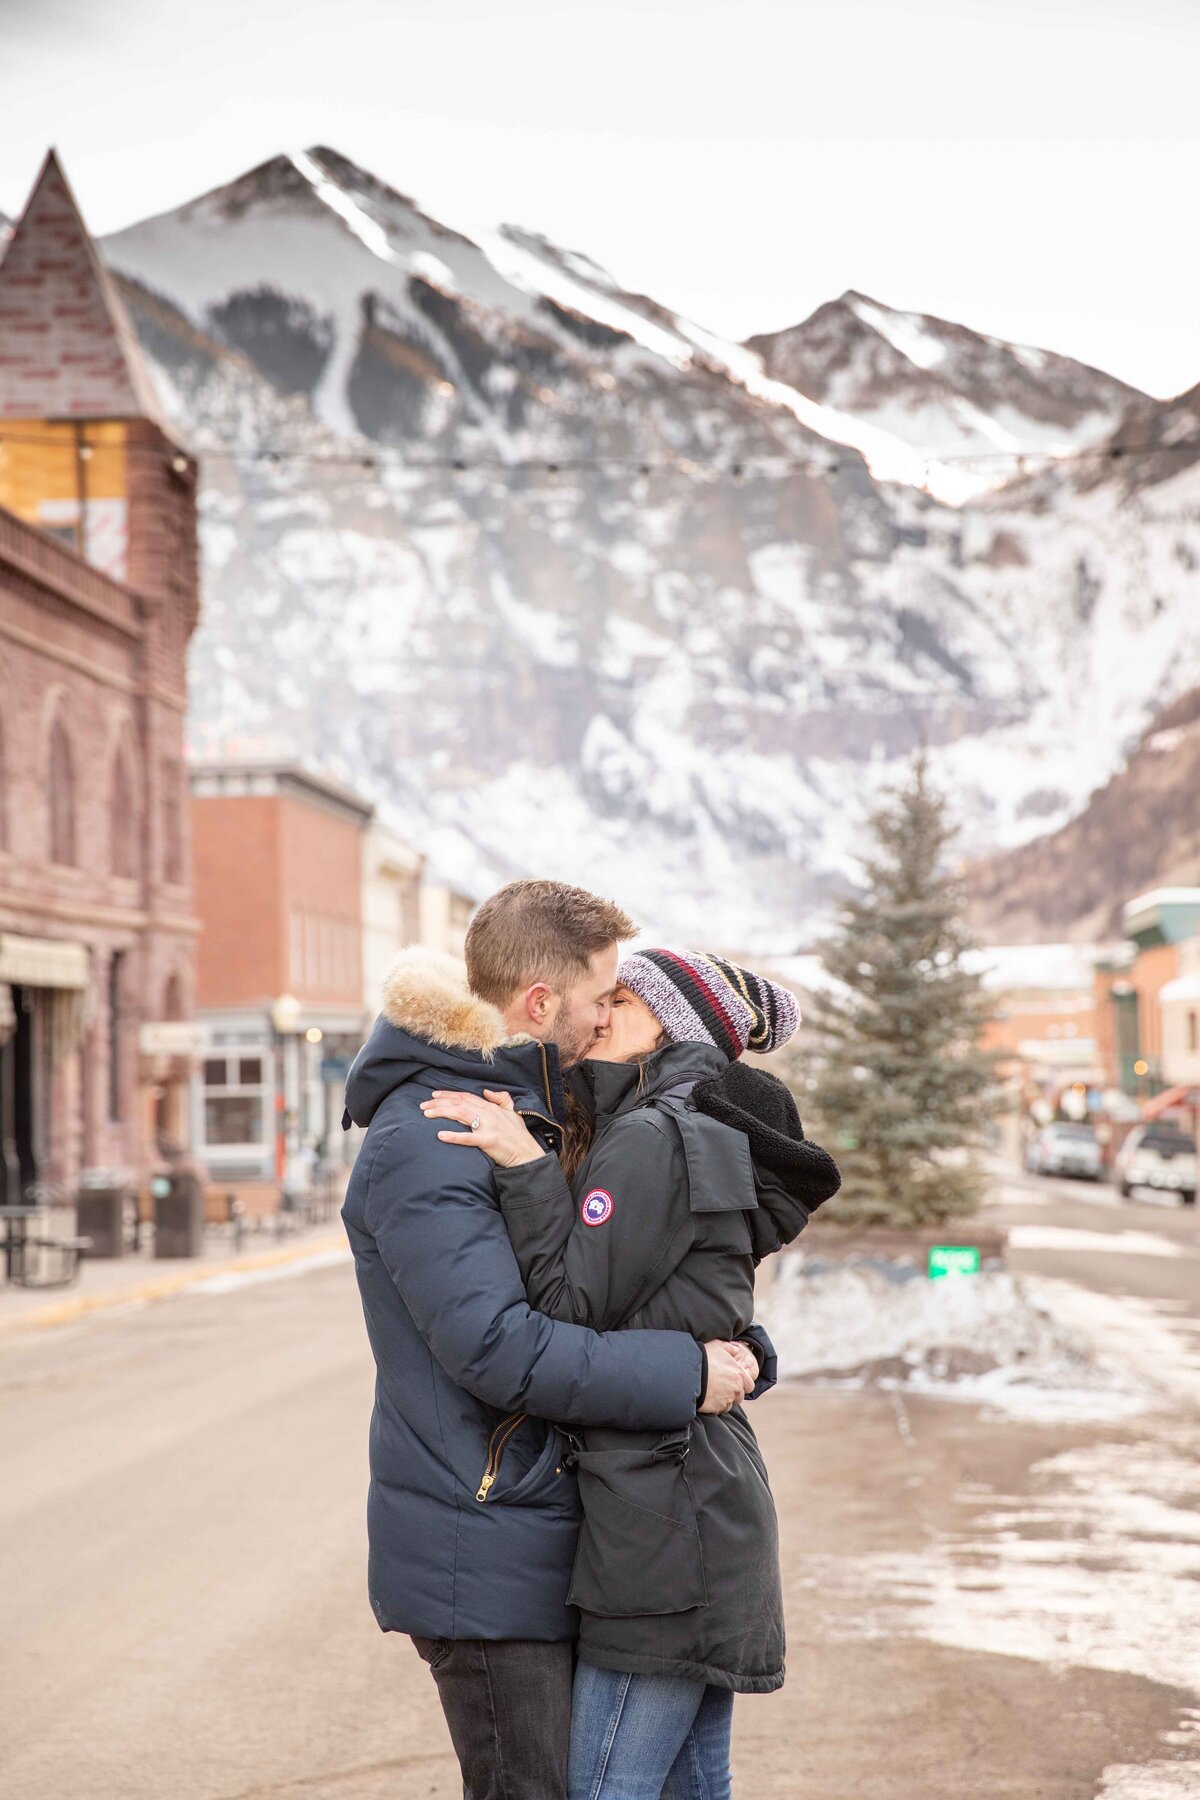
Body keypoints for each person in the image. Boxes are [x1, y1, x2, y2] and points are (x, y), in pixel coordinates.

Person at [340, 885, 759, 1800]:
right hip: (483, 1549)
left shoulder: (520, 1110)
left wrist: (737, 1341)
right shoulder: (429, 1134)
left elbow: (605, 1281)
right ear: (539, 1003)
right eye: (602, 995)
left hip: (545, 1533)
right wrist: (686, 1372)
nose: (612, 1010)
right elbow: (499, 1349)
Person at [423, 947, 842, 1800]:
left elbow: (568, 1309)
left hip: (665, 1536)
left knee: (605, 1787)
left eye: (624, 1003)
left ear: (672, 1030)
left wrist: (527, 1171)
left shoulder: (652, 1138)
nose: (601, 1015)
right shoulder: (678, 1127)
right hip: (693, 1508)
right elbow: (689, 1304)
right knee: (693, 1785)